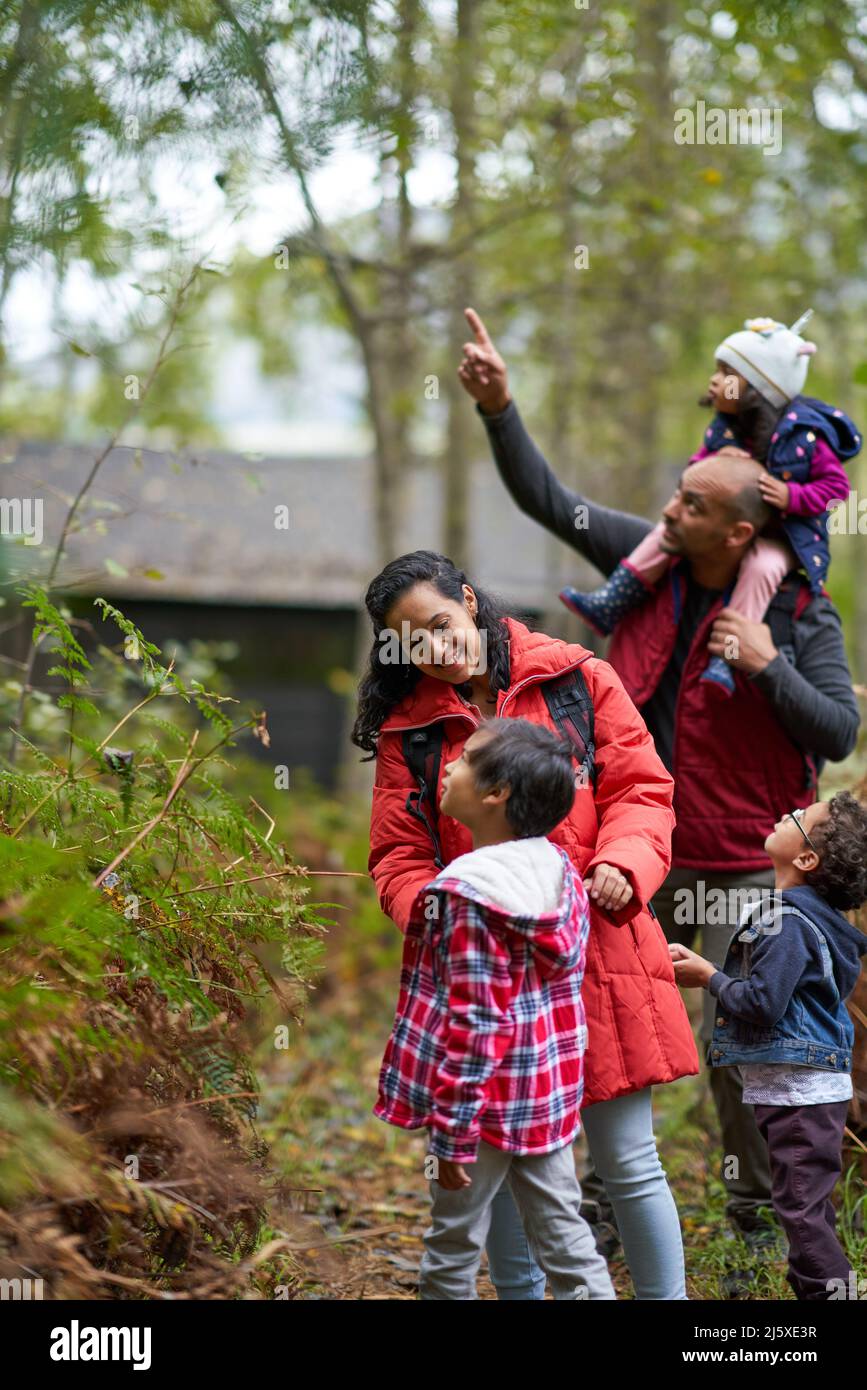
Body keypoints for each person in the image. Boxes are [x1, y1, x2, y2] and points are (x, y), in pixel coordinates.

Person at [457, 307, 860, 1264]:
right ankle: (594, 1206)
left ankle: (757, 1219)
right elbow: (552, 502)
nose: (667, 513)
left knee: (745, 1039)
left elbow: (840, 729)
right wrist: (500, 409)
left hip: (732, 860)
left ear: (738, 527)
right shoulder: (650, 568)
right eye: (673, 501)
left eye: (687, 506)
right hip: (624, 844)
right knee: (599, 1019)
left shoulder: (798, 611)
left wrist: (767, 666)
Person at [353, 549, 698, 1299]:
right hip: (486, 965)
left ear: (469, 601)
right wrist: (436, 914)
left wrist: (623, 863)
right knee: (506, 1157)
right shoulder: (408, 733)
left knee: (627, 1159)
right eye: (414, 642)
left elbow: (643, 788)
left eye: (442, 626)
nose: (436, 652)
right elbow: (395, 853)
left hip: (599, 943)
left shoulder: (575, 679)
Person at [375, 717, 616, 1300]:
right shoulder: (560, 871)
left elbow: (478, 1023)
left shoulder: (467, 895)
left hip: (479, 1111)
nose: (448, 765)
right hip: (543, 1096)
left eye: (464, 759)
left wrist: (453, 1134)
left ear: (495, 794)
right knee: (565, 1238)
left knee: (452, 1246)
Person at [559, 313, 861, 698]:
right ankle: (612, 599)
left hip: (786, 535)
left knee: (763, 567)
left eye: (727, 373)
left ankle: (727, 652)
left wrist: (792, 497)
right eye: (717, 369)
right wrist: (718, 464)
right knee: (664, 531)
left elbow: (836, 487)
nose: (715, 380)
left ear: (760, 387)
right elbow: (695, 468)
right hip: (729, 528)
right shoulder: (725, 426)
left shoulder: (805, 437)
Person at [669, 791, 867, 1300]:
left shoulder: (786, 923)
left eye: (799, 818)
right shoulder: (812, 920)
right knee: (805, 1202)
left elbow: (762, 1003)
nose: (787, 814)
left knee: (799, 1208)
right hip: (806, 1092)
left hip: (800, 1095)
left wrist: (709, 976)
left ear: (805, 858)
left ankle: (831, 1293)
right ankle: (812, 1287)